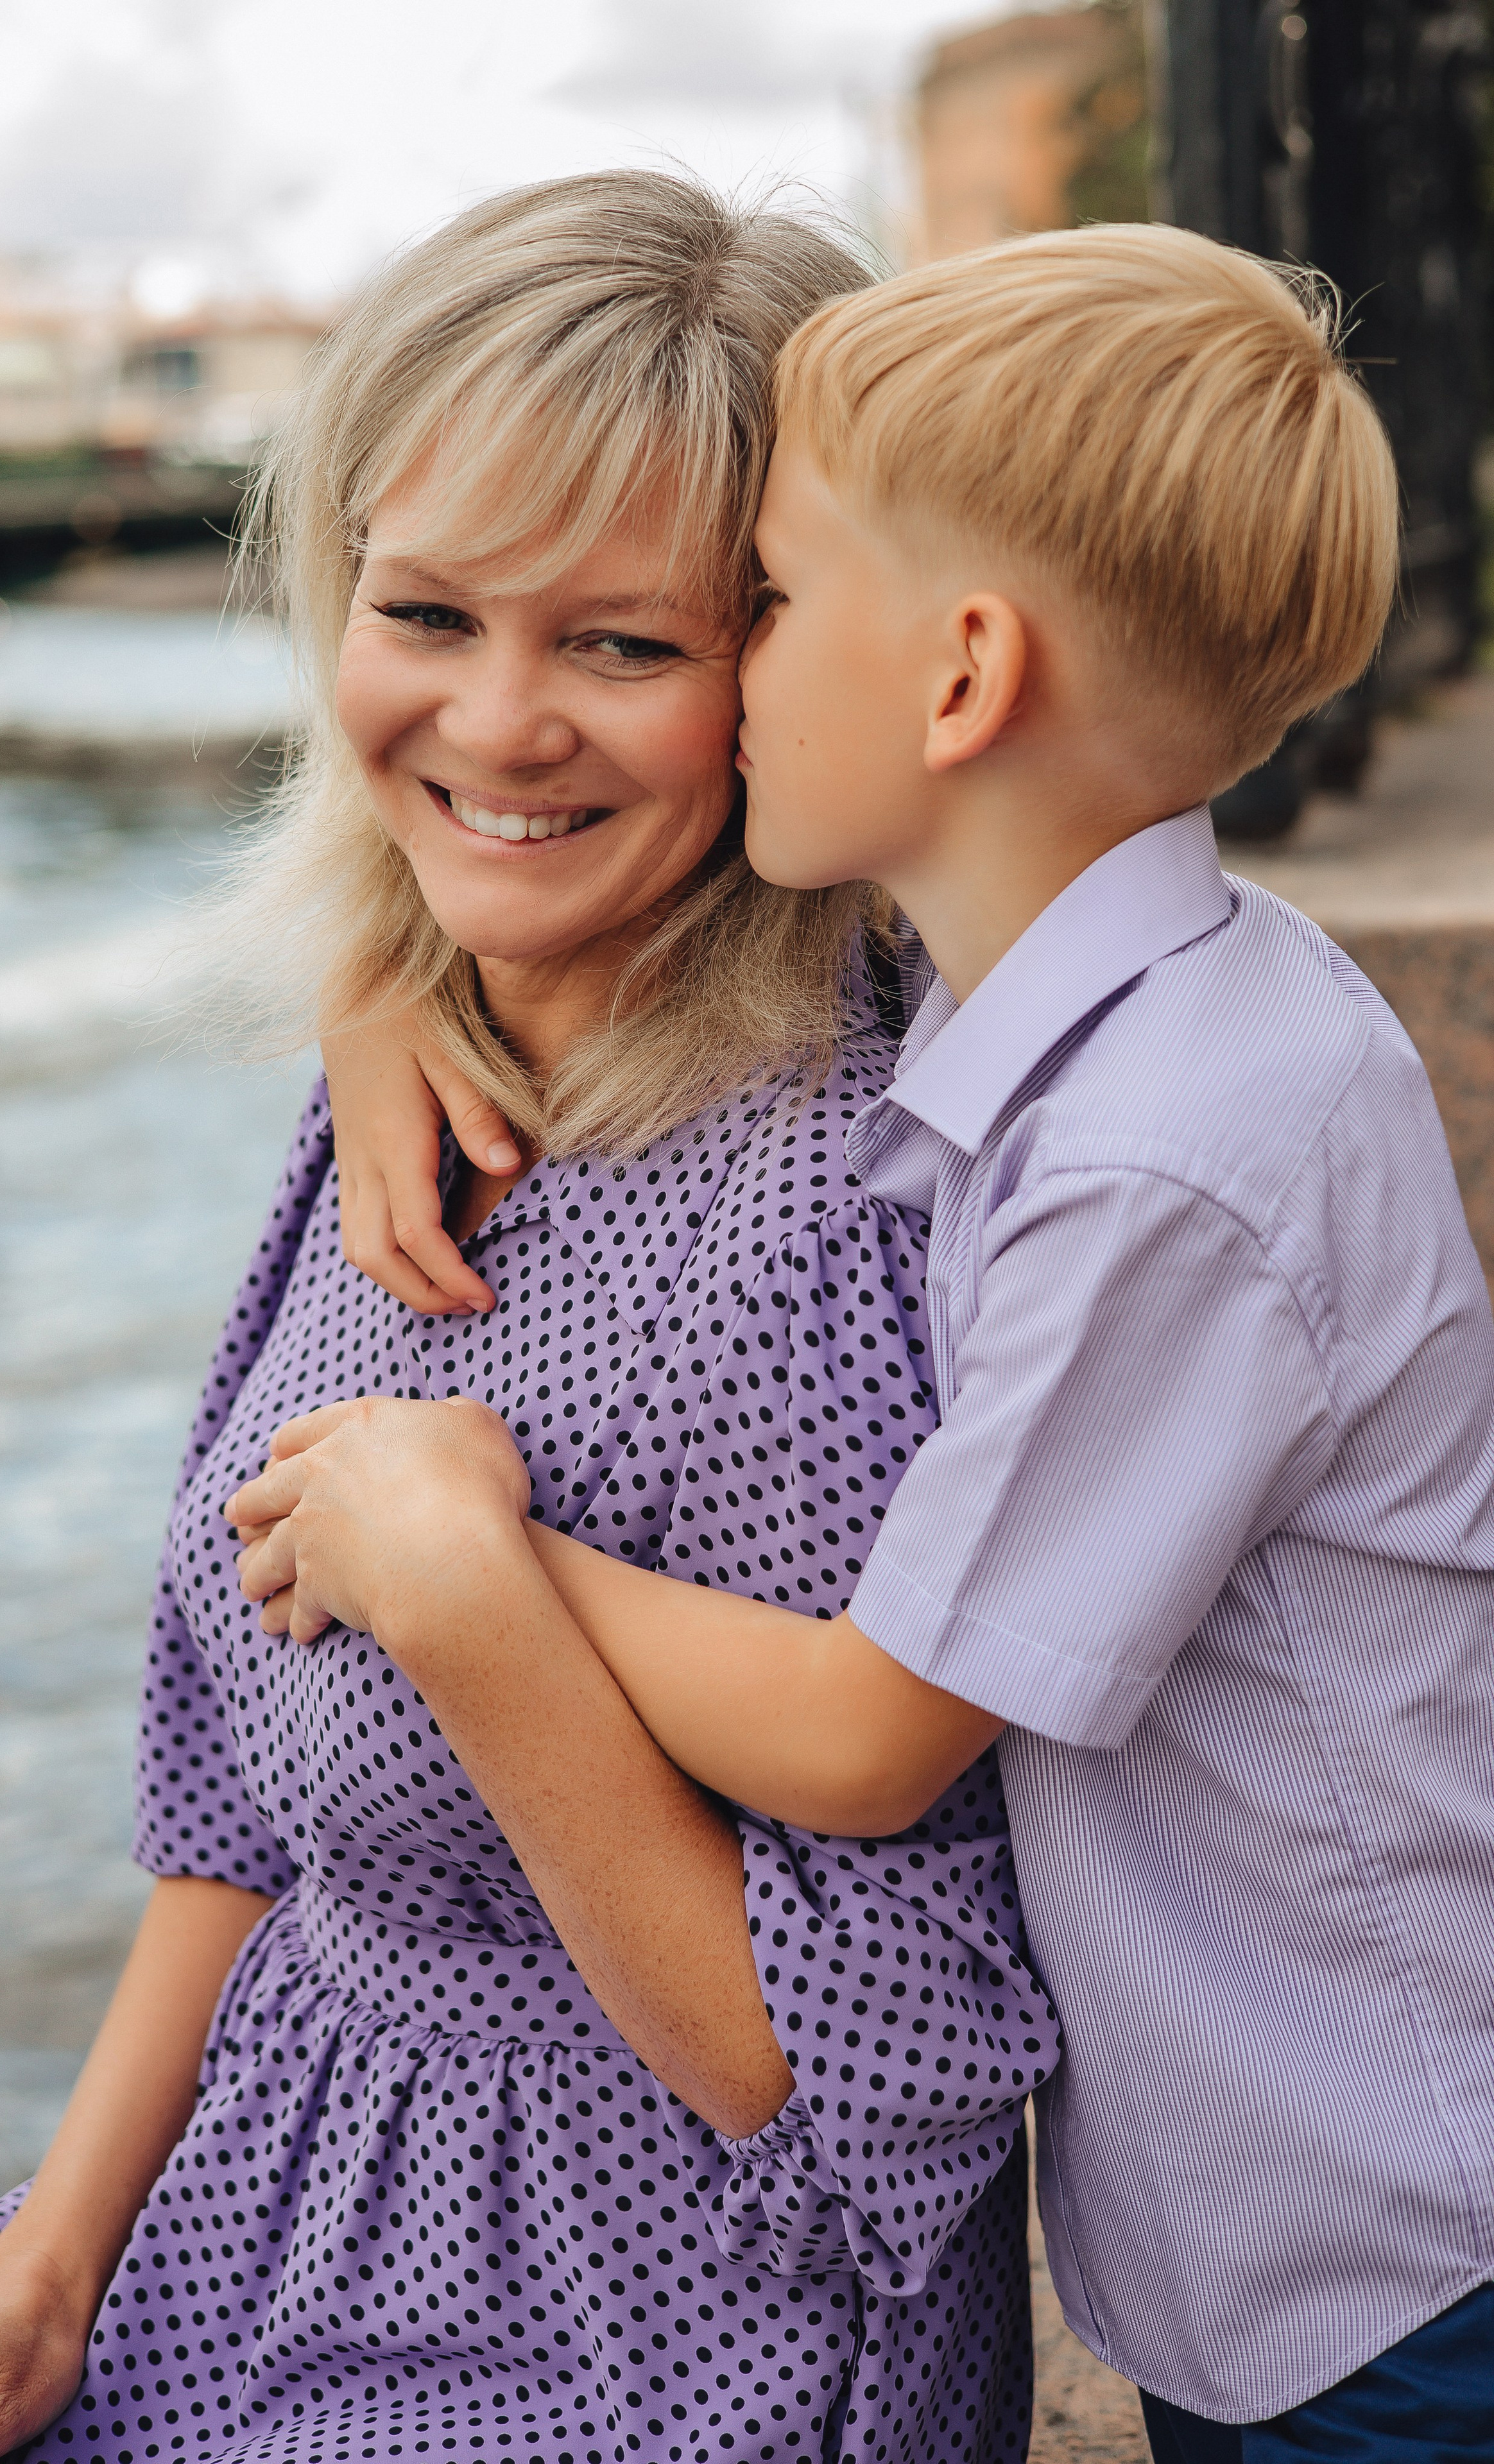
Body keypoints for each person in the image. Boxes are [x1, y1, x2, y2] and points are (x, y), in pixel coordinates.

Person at [237, 226, 1494, 2458]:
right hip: (1269, 2210)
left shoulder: (1163, 1166)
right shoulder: (1122, 1009)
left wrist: (460, 1555)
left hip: (1378, 2242)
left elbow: (865, 1737)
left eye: (773, 598)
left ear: (961, 677)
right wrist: (390, 985)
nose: (735, 667)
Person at [0, 176, 1061, 2464]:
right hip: (262, 2210)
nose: (499, 726)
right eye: (424, 610)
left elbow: (853, 2119)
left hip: (638, 2334)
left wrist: (474, 1604)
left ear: (788, 656)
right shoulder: (422, 1058)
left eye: (622, 646)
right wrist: (42, 2276)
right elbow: (236, 1796)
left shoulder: (820, 1220)